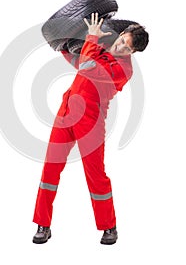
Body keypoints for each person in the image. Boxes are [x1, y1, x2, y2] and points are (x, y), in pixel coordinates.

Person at [32, 13, 149, 245]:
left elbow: (87, 66)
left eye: (128, 48)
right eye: (123, 40)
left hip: (91, 121)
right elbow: (79, 60)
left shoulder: (124, 71)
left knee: (95, 175)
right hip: (66, 112)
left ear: (133, 53)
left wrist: (93, 38)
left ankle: (109, 227)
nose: (122, 46)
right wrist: (63, 46)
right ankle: (42, 224)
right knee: (50, 171)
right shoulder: (103, 49)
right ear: (121, 33)